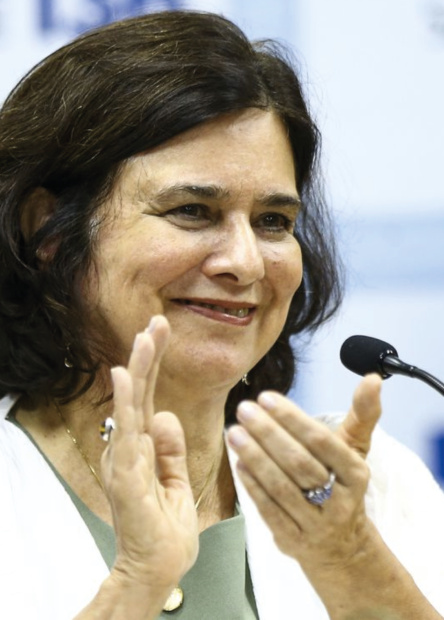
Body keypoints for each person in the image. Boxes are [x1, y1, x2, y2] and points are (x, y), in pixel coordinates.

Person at [0, 9, 443, 620]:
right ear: (49, 229)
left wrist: (349, 558)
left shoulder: (370, 485)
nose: (245, 262)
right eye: (192, 211)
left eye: (273, 222)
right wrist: (136, 585)